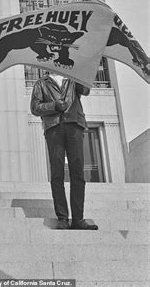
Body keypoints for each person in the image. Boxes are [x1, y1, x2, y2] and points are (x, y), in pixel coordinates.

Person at [30, 71, 98, 230]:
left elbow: (86, 90)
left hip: (74, 125)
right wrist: (53, 106)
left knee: (77, 173)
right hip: (54, 128)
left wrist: (80, 72)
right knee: (57, 173)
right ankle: (62, 218)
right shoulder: (41, 83)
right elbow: (35, 107)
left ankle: (78, 219)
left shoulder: (73, 79)